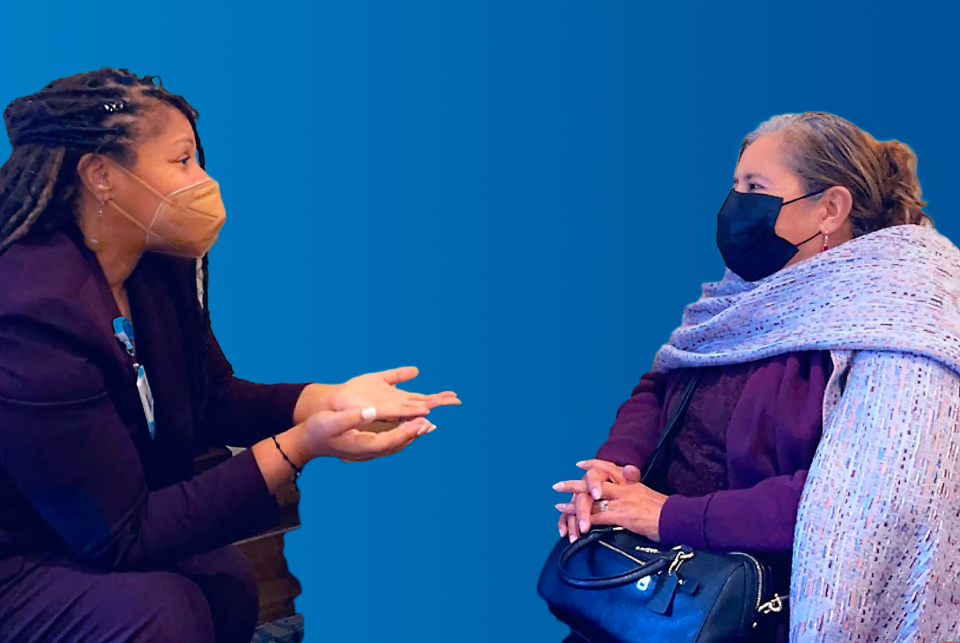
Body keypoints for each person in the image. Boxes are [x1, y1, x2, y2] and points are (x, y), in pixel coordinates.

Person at [0, 68, 460, 643]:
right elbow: (120, 537)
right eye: (183, 161)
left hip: (96, 527)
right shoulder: (30, 311)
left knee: (225, 582)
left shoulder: (156, 262)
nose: (203, 181)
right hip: (20, 556)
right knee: (160, 615)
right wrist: (300, 447)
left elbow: (210, 397)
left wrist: (333, 399)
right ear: (101, 176)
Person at [549, 111, 960, 642]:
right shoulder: (742, 297)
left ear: (831, 209)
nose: (734, 206)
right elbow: (664, 381)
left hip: (763, 613)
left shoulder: (903, 322)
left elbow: (863, 503)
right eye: (735, 186)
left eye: (755, 188)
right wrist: (616, 471)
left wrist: (668, 516)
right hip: (651, 594)